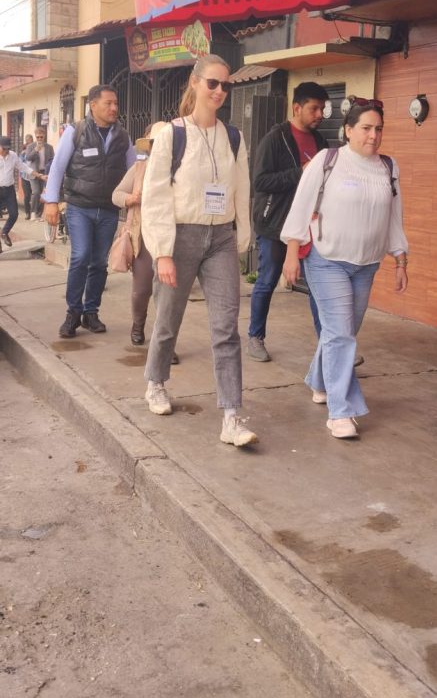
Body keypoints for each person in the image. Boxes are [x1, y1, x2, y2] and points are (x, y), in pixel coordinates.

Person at [140, 54, 257, 448]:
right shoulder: (172, 135)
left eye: (226, 85)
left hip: (221, 237)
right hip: (181, 236)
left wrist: (242, 236)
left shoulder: (234, 137)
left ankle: (231, 416)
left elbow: (242, 188)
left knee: (226, 327)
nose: (220, 91)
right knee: (168, 318)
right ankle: (156, 382)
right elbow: (155, 195)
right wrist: (162, 252)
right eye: (212, 83)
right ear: (194, 83)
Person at [281, 97, 408, 440]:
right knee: (341, 333)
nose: (373, 136)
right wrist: (291, 254)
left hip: (367, 264)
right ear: (348, 130)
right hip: (327, 259)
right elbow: (301, 207)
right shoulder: (328, 160)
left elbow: (394, 217)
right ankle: (341, 411)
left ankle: (319, 380)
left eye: (378, 129)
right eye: (366, 128)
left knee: (342, 331)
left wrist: (400, 258)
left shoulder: (389, 168)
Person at [43, 85, 135, 338]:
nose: (114, 108)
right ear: (93, 105)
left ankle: (91, 312)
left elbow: (134, 171)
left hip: (108, 210)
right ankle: (73, 312)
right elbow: (57, 167)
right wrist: (51, 201)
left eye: (116, 103)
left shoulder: (122, 136)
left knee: (99, 262)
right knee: (81, 256)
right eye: (108, 103)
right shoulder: (76, 131)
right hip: (79, 207)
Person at [247, 81, 329, 362]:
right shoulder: (275, 138)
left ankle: (330, 345)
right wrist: (300, 172)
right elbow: (260, 181)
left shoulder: (321, 142)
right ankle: (255, 337)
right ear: (297, 108)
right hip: (275, 224)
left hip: (309, 226)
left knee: (318, 285)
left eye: (322, 109)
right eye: (314, 108)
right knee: (267, 280)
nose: (320, 114)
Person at [112, 121, 179, 362]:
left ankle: (165, 345)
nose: (159, 147)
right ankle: (138, 325)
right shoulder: (139, 168)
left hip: (172, 240)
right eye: (154, 143)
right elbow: (116, 195)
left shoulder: (181, 170)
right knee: (141, 291)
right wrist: (131, 198)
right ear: (148, 146)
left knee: (169, 296)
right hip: (143, 239)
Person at [0, 136, 36, 249]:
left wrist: (36, 174)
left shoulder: (13, 155)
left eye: (7, 148)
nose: (6, 151)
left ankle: (4, 232)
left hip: (9, 190)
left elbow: (23, 167)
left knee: (14, 214)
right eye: (3, 148)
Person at [26, 128, 54, 220]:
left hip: (45, 173)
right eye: (37, 137)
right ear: (35, 136)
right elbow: (28, 158)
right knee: (36, 192)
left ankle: (40, 214)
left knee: (43, 193)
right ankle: (33, 212)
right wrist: (35, 150)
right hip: (34, 173)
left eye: (41, 137)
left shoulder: (49, 147)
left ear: (44, 136)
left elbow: (52, 160)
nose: (39, 139)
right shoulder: (30, 146)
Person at [20, 134, 34, 219]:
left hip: (34, 177)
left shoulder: (35, 149)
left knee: (35, 195)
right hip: (25, 177)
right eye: (28, 141)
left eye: (31, 141)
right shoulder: (23, 152)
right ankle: (27, 213)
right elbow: (20, 163)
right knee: (27, 195)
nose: (30, 143)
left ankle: (34, 212)